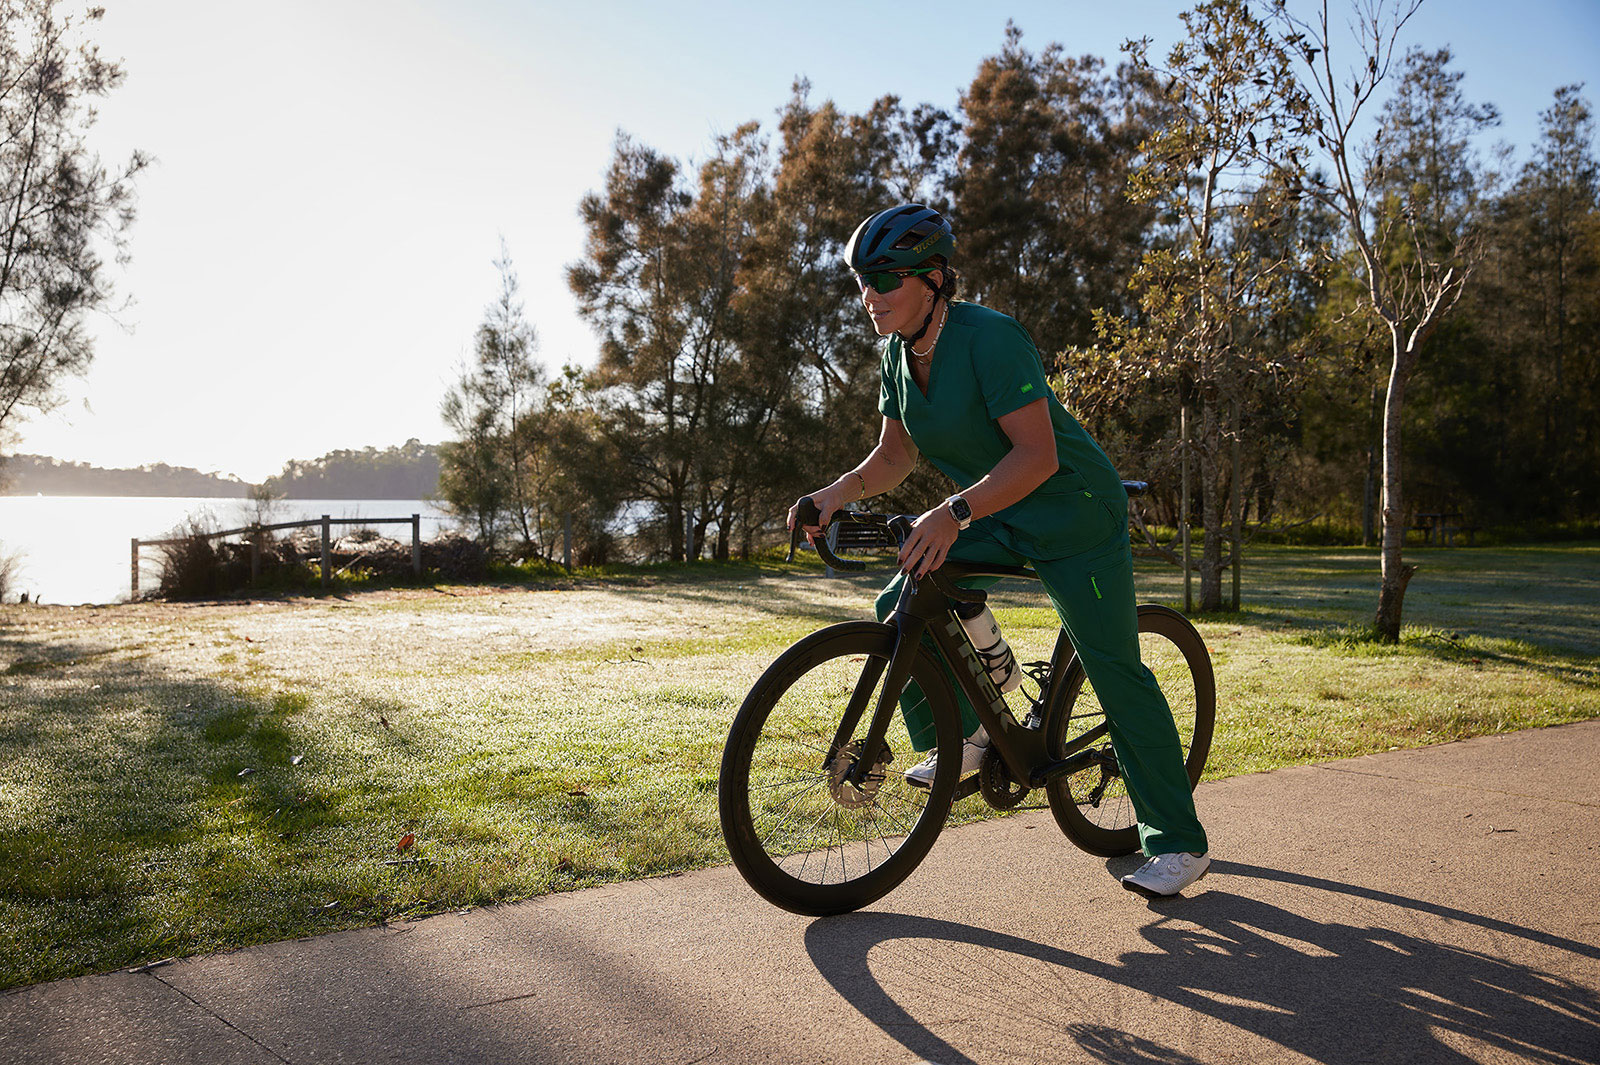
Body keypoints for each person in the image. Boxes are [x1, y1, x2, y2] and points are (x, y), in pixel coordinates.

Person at [788, 203, 1210, 898]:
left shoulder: (991, 339)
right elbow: (893, 456)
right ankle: (969, 735)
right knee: (904, 592)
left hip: (1072, 510)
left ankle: (1178, 842)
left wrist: (953, 510)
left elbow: (1038, 455)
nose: (870, 296)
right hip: (1001, 511)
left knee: (1113, 670)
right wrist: (833, 494)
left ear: (932, 279)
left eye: (885, 280)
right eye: (863, 281)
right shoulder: (897, 353)